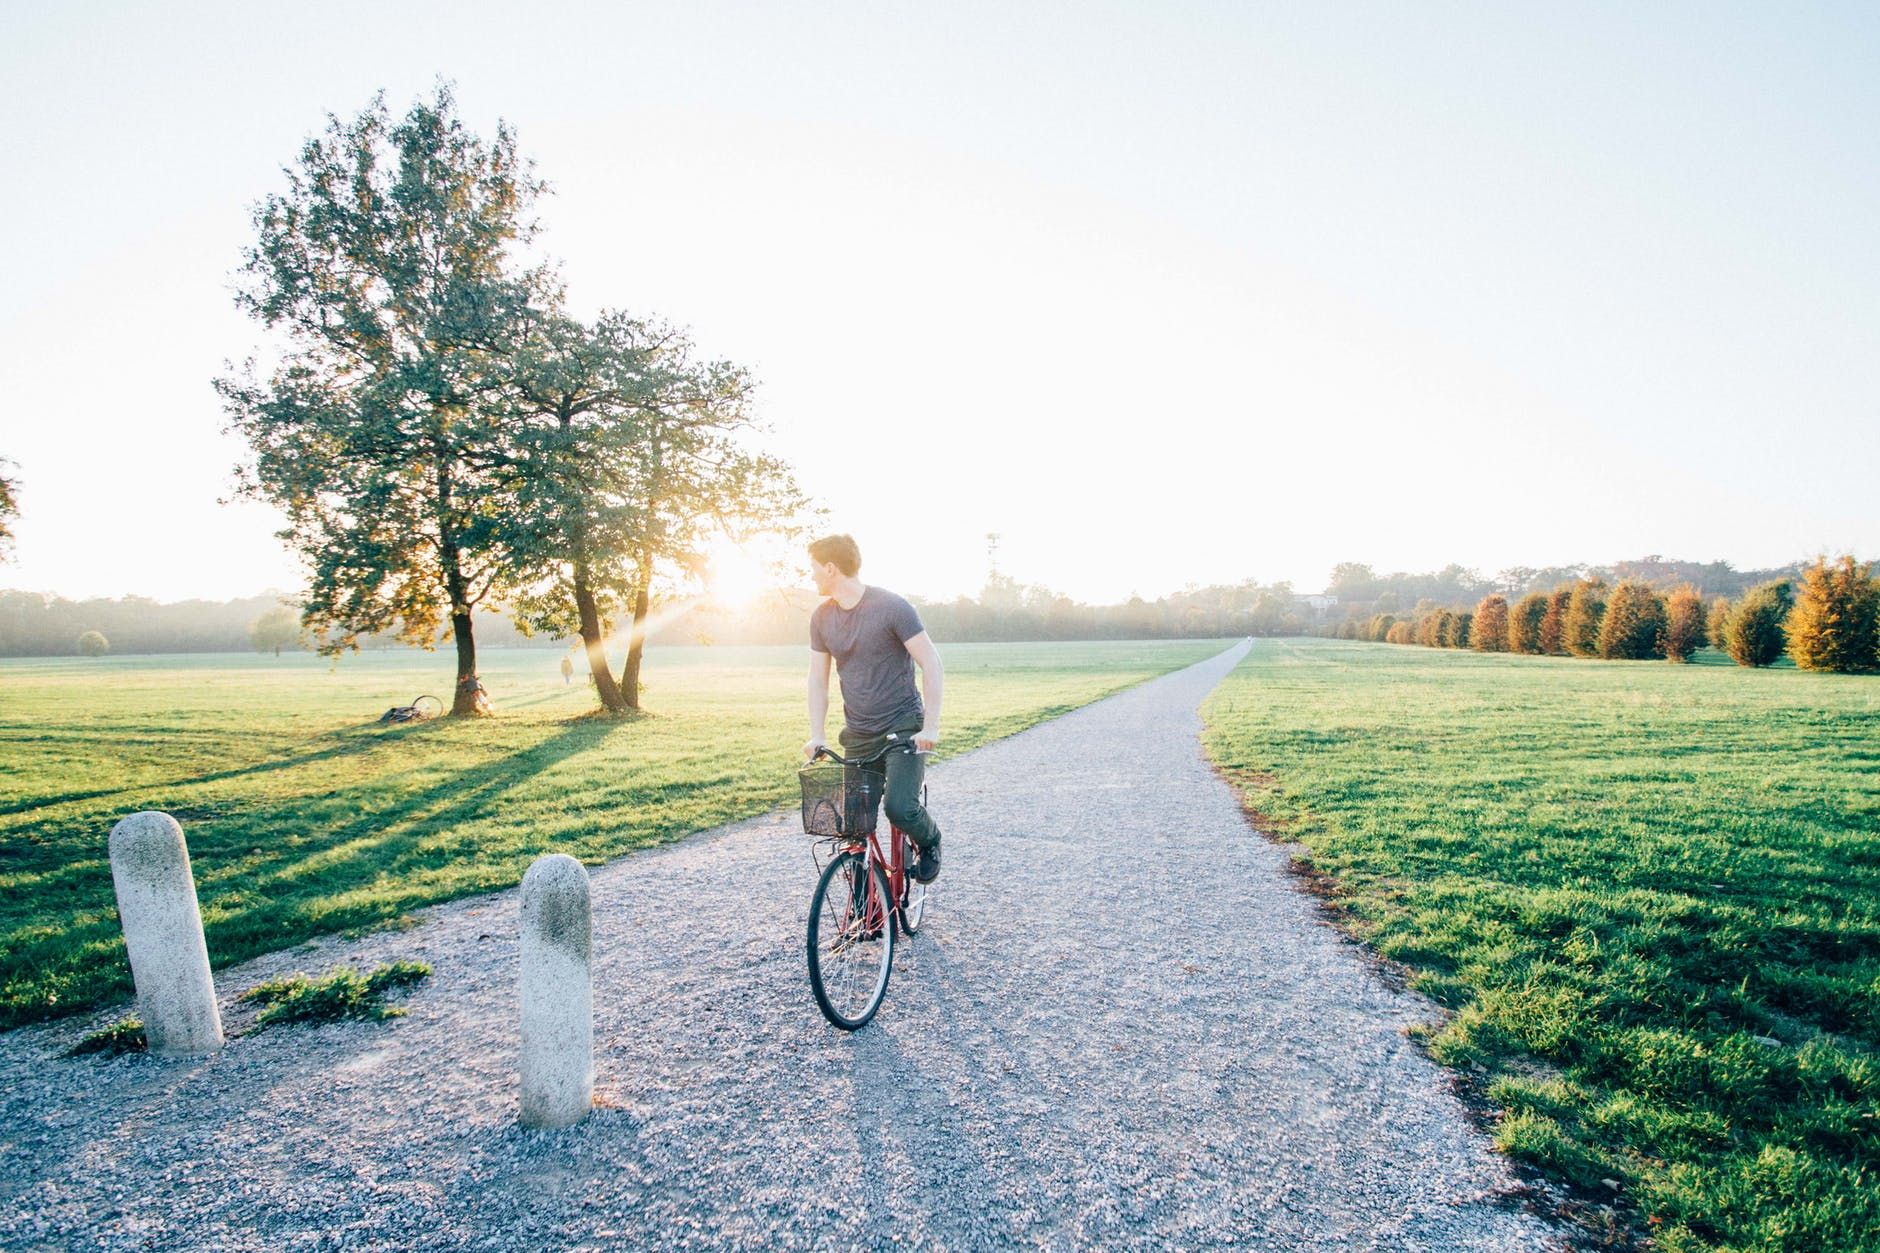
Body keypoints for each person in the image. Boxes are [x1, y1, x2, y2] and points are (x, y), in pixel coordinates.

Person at [803, 533, 945, 883]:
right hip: (859, 735)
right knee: (851, 827)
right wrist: (817, 735)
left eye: (814, 569)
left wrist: (931, 726)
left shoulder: (892, 607)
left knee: (899, 807)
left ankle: (931, 841)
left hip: (904, 728)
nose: (811, 576)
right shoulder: (822, 618)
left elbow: (931, 662)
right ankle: (867, 909)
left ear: (832, 569)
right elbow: (817, 681)